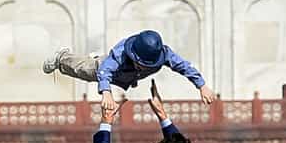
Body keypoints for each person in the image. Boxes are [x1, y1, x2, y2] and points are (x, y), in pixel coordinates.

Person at [42, 30, 215, 113]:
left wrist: (202, 86)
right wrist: (106, 92)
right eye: (140, 63)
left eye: (146, 65)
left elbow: (185, 66)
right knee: (85, 69)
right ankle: (62, 58)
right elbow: (105, 71)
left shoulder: (165, 54)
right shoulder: (121, 53)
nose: (143, 66)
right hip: (109, 69)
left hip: (128, 81)